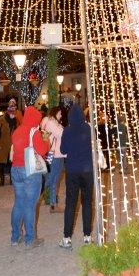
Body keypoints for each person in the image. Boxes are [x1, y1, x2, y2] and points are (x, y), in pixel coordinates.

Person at [10, 106, 50, 248]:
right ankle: (30, 239)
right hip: (30, 171)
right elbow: (43, 150)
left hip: (15, 169)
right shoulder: (34, 132)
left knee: (19, 202)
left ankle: (15, 237)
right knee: (30, 205)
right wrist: (47, 141)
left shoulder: (17, 131)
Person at [58, 104, 94, 250]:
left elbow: (63, 149)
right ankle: (87, 236)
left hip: (72, 171)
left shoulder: (67, 130)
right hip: (87, 171)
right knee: (87, 203)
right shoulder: (88, 128)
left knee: (71, 204)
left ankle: (67, 238)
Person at [40, 106, 65, 212]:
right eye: (59, 113)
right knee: (51, 179)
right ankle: (38, 194)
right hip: (55, 153)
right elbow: (61, 134)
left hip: (52, 153)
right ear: (55, 113)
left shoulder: (48, 121)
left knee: (53, 179)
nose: (61, 115)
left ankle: (53, 204)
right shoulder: (52, 122)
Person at [0, 104, 18, 186]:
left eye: (14, 113)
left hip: (12, 145)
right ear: (8, 112)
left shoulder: (15, 120)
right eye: (12, 113)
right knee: (1, 163)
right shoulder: (1, 120)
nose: (13, 114)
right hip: (3, 145)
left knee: (12, 163)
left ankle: (12, 179)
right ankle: (2, 179)